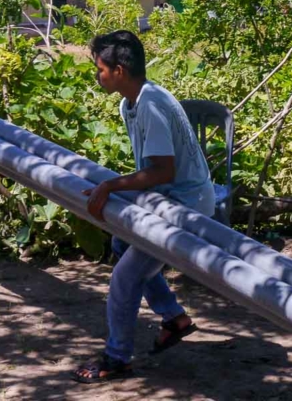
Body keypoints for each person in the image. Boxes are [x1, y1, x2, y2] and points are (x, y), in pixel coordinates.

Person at [71, 30, 215, 383]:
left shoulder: (149, 104)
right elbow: (156, 172)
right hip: (167, 196)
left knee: (125, 278)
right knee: (122, 243)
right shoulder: (132, 102)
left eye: (100, 69)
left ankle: (117, 357)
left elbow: (162, 170)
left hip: (186, 206)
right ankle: (174, 318)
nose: (97, 75)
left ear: (119, 70)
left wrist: (111, 184)